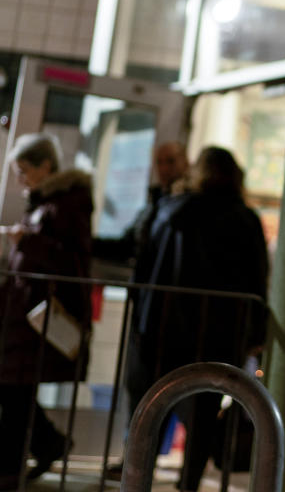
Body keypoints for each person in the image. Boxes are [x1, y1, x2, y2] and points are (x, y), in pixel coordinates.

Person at [130, 146, 268, 491]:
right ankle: (189, 481)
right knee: (206, 406)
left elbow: (144, 266)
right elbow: (257, 276)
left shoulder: (170, 210)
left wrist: (142, 311)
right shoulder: (244, 218)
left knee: (155, 400)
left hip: (164, 324)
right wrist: (257, 329)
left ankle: (137, 476)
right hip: (220, 328)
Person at [0, 133, 93, 492]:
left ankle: (8, 469)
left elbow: (70, 260)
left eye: (24, 170)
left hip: (39, 312)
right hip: (24, 309)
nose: (20, 179)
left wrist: (27, 241)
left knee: (14, 390)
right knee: (12, 390)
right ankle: (41, 446)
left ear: (46, 166)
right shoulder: (47, 201)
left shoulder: (69, 202)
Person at [93, 141, 190, 481]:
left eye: (171, 160)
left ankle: (156, 463)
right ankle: (136, 460)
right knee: (140, 388)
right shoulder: (155, 204)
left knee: (174, 392)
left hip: (173, 315)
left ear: (185, 162)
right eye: (160, 162)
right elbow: (127, 244)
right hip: (147, 310)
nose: (165, 167)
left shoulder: (185, 206)